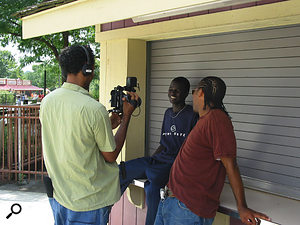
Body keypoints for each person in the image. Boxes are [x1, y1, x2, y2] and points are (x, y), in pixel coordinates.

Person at [40, 45, 139, 225]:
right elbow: (110, 155)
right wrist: (126, 117)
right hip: (88, 202)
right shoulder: (94, 109)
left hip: (61, 196)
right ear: (88, 69)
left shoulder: (47, 102)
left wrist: (107, 125)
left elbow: (73, 135)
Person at [154, 76, 271, 225]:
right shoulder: (205, 119)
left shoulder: (217, 119)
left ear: (201, 93)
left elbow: (231, 165)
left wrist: (242, 207)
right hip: (172, 202)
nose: (193, 95)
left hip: (186, 210)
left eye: (194, 91)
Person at [119, 77, 198, 225]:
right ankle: (102, 207)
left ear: (186, 93)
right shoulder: (167, 113)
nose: (172, 92)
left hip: (175, 164)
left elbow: (191, 150)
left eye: (177, 90)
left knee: (153, 183)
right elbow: (163, 143)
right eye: (171, 89)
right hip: (160, 160)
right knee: (122, 170)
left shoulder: (192, 115)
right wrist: (150, 160)